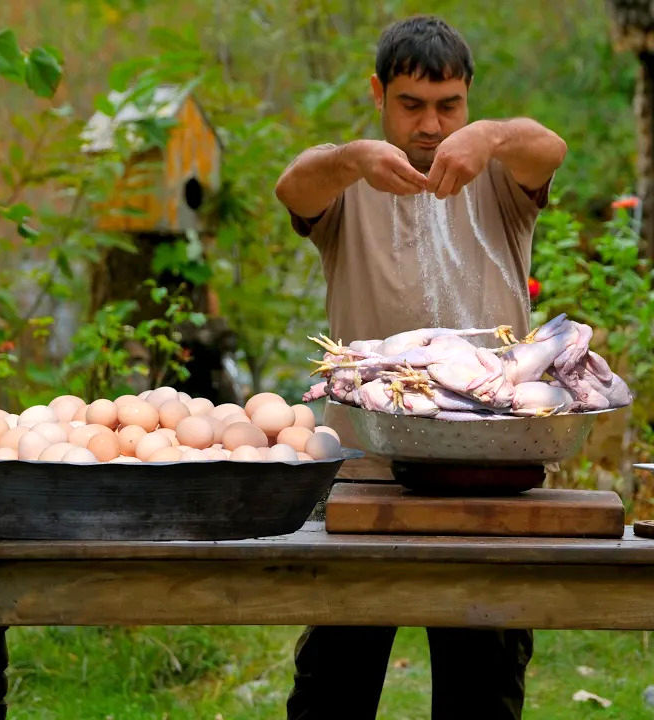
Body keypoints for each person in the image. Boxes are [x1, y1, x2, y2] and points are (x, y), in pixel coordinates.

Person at [273, 14, 566, 720]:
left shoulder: (499, 175)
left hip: (491, 464)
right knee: (335, 681)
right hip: (366, 463)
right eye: (411, 104)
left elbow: (549, 148)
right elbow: (292, 188)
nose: (430, 125)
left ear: (467, 99)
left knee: (483, 686)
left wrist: (490, 134)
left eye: (448, 106)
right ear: (378, 94)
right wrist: (352, 159)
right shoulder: (351, 175)